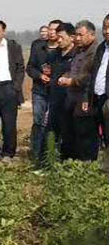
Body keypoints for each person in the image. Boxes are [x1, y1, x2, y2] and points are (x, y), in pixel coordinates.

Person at [0, 20, 25, 160]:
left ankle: (8, 153)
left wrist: (16, 87)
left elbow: (20, 68)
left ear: (3, 32)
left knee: (9, 124)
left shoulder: (13, 47)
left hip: (8, 88)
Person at [59, 20, 99, 161]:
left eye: (81, 35)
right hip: (72, 97)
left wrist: (72, 81)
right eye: (76, 35)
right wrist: (65, 77)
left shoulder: (95, 52)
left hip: (85, 98)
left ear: (92, 35)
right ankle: (73, 161)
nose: (77, 38)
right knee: (71, 131)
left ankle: (86, 163)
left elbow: (90, 76)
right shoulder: (78, 50)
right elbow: (72, 69)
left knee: (85, 133)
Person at [26, 21, 61, 164]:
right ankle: (36, 153)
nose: (52, 32)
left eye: (56, 30)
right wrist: (40, 76)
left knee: (56, 122)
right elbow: (30, 68)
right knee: (39, 122)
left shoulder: (64, 49)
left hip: (58, 91)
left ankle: (55, 152)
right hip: (40, 90)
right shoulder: (38, 47)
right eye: (50, 29)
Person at [44, 22, 77, 160]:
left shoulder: (78, 55)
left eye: (62, 37)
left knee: (69, 134)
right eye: (57, 37)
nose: (58, 40)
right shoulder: (54, 55)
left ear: (72, 37)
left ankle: (68, 163)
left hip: (71, 101)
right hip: (55, 100)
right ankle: (50, 162)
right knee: (51, 133)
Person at [89, 14, 109, 149]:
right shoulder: (101, 48)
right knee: (101, 133)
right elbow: (95, 72)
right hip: (98, 96)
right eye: (105, 27)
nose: (107, 31)